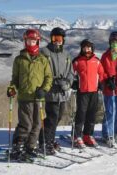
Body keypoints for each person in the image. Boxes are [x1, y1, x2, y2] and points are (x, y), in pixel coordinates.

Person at [7, 29, 53, 159]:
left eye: (33, 41)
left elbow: (49, 77)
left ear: (37, 42)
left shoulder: (43, 59)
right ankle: (18, 146)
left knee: (37, 124)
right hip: (25, 97)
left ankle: (30, 147)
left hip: (39, 98)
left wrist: (44, 90)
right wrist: (12, 88)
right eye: (28, 40)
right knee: (26, 123)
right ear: (25, 41)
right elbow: (15, 78)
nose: (31, 43)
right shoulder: (19, 59)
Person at [37, 27, 74, 155]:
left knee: (58, 117)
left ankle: (50, 140)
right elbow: (41, 72)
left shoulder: (66, 54)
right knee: (52, 118)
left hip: (62, 91)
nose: (57, 41)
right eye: (54, 38)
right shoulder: (45, 52)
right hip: (50, 91)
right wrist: (51, 82)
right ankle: (44, 142)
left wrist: (68, 83)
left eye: (59, 38)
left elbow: (71, 72)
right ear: (51, 39)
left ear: (63, 40)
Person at [72, 39, 104, 148]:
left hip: (94, 91)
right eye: (85, 47)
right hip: (82, 91)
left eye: (89, 47)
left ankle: (88, 135)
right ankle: (77, 136)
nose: (87, 49)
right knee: (81, 114)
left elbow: (101, 73)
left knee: (91, 115)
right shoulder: (77, 61)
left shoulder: (96, 60)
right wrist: (74, 83)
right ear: (82, 48)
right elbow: (71, 74)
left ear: (92, 48)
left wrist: (101, 83)